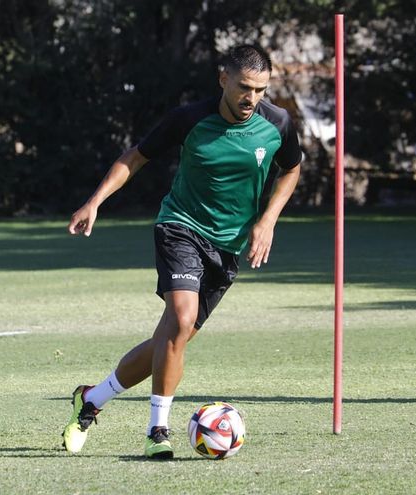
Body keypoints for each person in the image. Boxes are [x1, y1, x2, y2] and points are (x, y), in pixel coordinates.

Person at [61, 44, 302, 458]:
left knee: (171, 339)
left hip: (228, 247)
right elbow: (136, 157)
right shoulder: (189, 119)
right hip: (180, 227)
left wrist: (268, 220)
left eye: (260, 89)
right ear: (223, 79)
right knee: (182, 318)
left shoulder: (276, 123)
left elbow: (292, 168)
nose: (252, 98)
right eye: (244, 87)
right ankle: (157, 431)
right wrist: (94, 201)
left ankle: (91, 398)